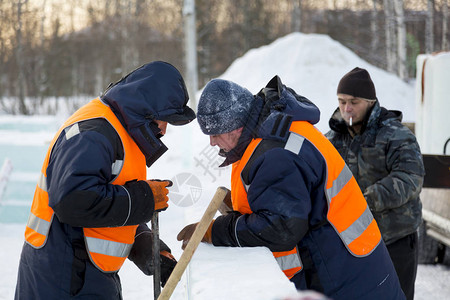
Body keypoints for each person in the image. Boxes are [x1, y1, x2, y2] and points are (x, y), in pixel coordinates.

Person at [177, 76, 405, 299]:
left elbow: (281, 227)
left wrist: (217, 230)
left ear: (235, 127)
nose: (212, 143)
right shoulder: (270, 130)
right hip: (351, 260)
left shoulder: (276, 153)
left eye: (215, 134)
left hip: (348, 277)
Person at [15, 61, 196, 299]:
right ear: (147, 109)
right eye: (165, 119)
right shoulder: (93, 134)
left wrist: (149, 249)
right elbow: (73, 202)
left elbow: (109, 204)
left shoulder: (119, 130)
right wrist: (144, 198)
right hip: (61, 280)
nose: (164, 129)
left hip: (86, 275)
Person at [325, 67, 425, 300]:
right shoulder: (331, 140)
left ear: (370, 101)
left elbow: (410, 178)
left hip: (395, 238)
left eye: (354, 102)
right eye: (342, 102)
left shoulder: (395, 135)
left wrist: (364, 201)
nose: (346, 108)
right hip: (352, 240)